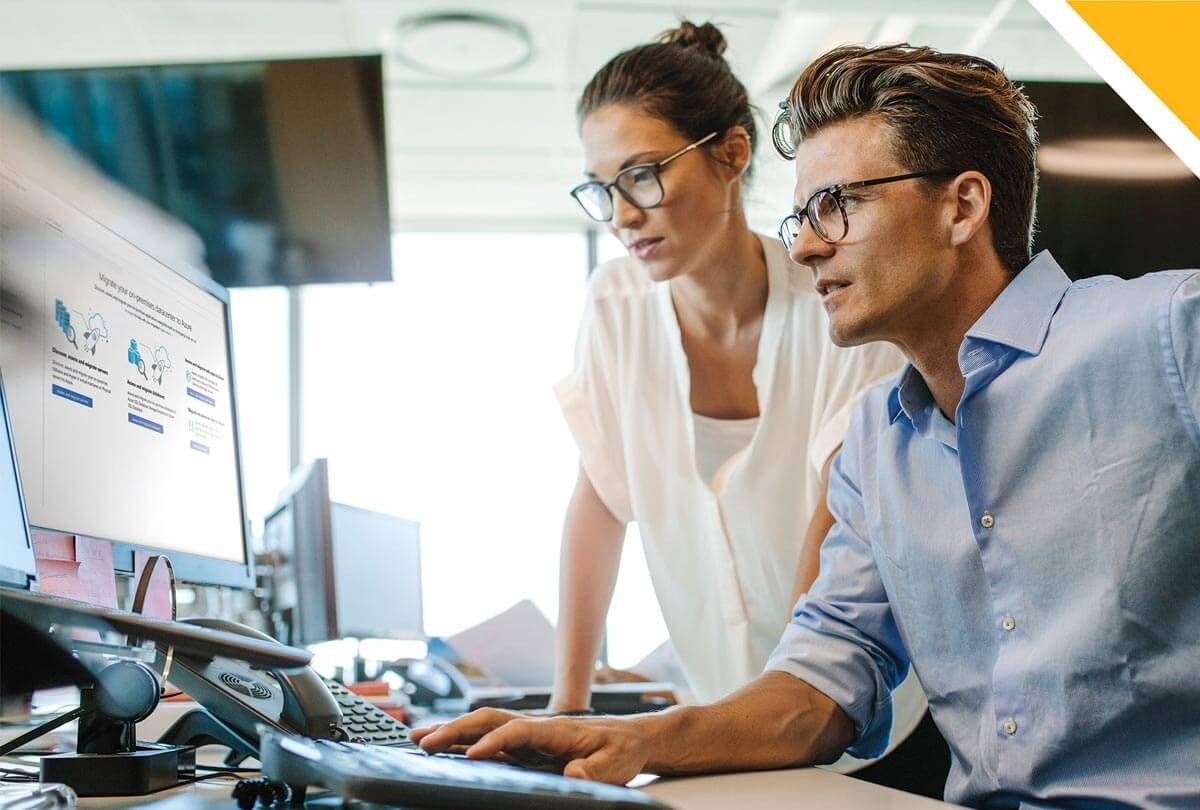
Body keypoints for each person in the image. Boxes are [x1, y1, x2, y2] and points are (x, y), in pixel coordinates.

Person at [413, 42, 1200, 808]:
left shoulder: (1166, 333)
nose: (809, 246)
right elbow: (820, 687)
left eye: (839, 205)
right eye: (802, 215)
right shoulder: (875, 441)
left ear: (963, 205)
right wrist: (627, 737)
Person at [545, 18, 908, 736]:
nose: (621, 215)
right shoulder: (615, 308)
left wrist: (772, 712)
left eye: (643, 175)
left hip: (862, 719)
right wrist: (567, 704)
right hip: (721, 705)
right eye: (602, 188)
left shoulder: (838, 309)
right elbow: (600, 501)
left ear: (732, 153)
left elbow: (839, 522)